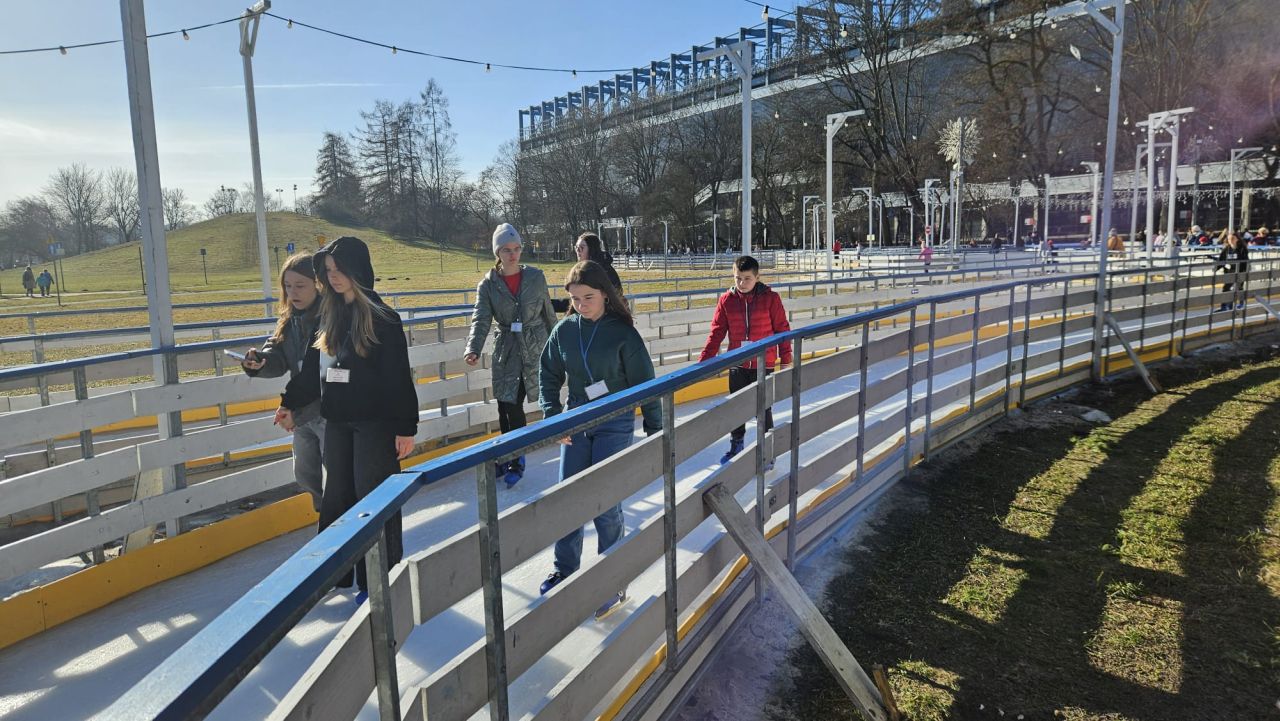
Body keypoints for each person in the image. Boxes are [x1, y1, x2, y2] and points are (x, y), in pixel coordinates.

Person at [281, 236, 418, 601]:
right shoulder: (328, 316)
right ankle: (339, 573)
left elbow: (398, 378)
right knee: (338, 498)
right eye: (328, 271)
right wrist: (289, 403)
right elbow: (312, 371)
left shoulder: (383, 318)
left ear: (357, 270)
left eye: (340, 269)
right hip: (338, 421)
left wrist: (406, 427)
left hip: (375, 423)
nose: (334, 277)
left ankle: (378, 578)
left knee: (373, 498)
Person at [537, 260, 661, 619]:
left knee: (605, 502)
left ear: (605, 294)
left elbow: (646, 383)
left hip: (614, 419)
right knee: (569, 497)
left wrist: (655, 428)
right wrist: (552, 416)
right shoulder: (564, 331)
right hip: (575, 417)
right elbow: (548, 373)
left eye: (587, 297)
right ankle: (565, 568)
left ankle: (613, 581)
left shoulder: (623, 334)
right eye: (575, 299)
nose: (581, 305)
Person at [465, 223, 558, 487]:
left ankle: (516, 458)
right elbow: (481, 319)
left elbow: (548, 313)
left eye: (516, 248)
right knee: (504, 405)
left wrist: (558, 344)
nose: (513, 254)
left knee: (514, 404)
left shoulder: (536, 277)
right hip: (506, 349)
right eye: (506, 250)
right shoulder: (488, 284)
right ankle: (507, 454)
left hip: (534, 346)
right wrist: (473, 348)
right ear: (497, 252)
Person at [241, 253, 325, 511]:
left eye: (300, 285)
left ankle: (341, 520)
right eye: (288, 286)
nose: (292, 292)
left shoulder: (330, 318)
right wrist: (260, 362)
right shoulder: (289, 321)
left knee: (337, 475)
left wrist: (294, 411)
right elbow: (277, 354)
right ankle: (325, 515)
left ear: (317, 285)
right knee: (305, 473)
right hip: (300, 412)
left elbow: (320, 376)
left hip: (328, 410)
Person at [697, 255, 793, 466]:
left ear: (757, 277)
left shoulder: (771, 298)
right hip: (738, 364)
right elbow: (717, 333)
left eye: (747, 278)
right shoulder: (727, 300)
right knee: (736, 407)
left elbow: (782, 329)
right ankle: (737, 444)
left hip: (764, 364)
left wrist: (786, 358)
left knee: (763, 409)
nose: (742, 283)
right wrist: (704, 362)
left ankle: (767, 451)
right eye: (738, 278)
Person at [1214, 231, 1249, 312]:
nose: (1231, 240)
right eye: (1229, 239)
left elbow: (1245, 261)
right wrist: (1216, 269)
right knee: (1226, 288)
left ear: (1237, 239)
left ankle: (1240, 303)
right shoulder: (1226, 249)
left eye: (1232, 238)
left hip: (1240, 271)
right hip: (1229, 272)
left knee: (1238, 288)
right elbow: (1221, 260)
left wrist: (1244, 272)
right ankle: (1224, 306)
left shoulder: (1242, 249)